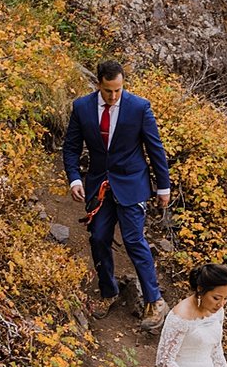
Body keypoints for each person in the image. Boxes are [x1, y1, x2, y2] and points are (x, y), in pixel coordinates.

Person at [63, 59, 171, 330]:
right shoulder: (82, 107)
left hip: (132, 182)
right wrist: (75, 178)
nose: (113, 96)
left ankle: (154, 300)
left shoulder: (139, 107)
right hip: (98, 183)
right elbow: (71, 147)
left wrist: (163, 187)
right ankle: (108, 291)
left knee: (134, 239)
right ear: (99, 83)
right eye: (109, 90)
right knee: (98, 237)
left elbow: (155, 148)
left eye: (118, 90)